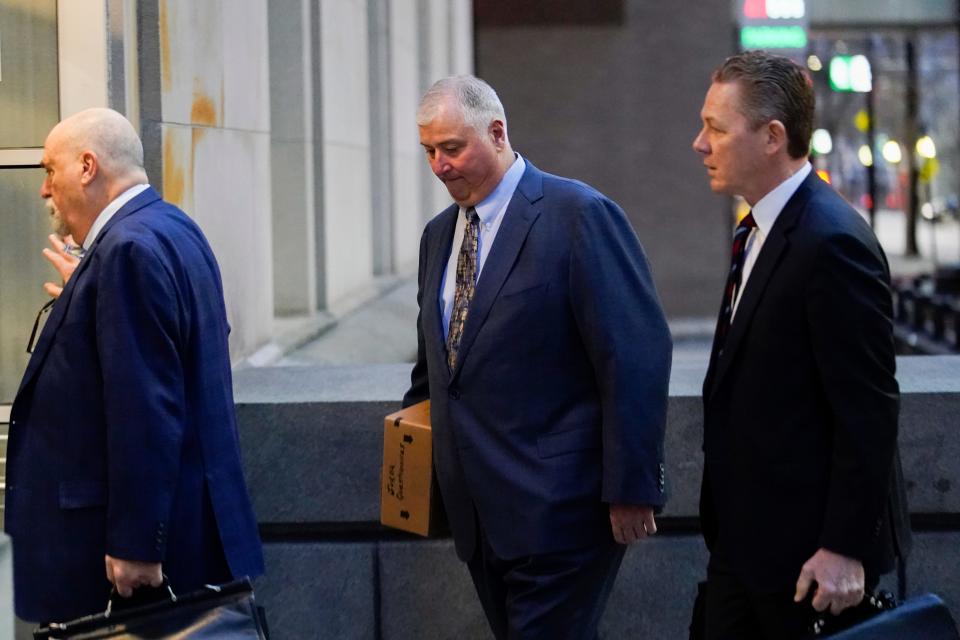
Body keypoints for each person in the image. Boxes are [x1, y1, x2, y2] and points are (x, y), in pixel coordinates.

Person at [403, 75, 672, 639]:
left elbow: (633, 356)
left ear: (497, 133)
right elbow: (437, 369)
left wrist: (632, 486)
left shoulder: (579, 215)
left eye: (452, 147)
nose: (439, 165)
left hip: (562, 514)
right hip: (479, 520)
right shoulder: (437, 237)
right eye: (429, 150)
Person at [5, 108, 264, 623]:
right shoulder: (170, 228)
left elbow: (146, 409)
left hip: (136, 559)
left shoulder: (127, 252)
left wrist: (136, 543)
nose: (44, 190)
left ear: (86, 166)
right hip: (193, 531)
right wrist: (86, 293)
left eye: (48, 170)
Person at [692, 51, 910, 639]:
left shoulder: (832, 242)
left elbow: (867, 411)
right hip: (744, 551)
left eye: (715, 128)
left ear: (772, 137)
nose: (699, 143)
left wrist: (844, 549)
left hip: (809, 568)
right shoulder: (755, 229)